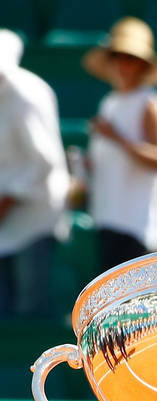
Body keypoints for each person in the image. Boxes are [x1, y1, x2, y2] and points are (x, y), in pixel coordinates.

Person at [84, 17, 157, 270]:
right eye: (117, 57)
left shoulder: (150, 104)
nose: (122, 65)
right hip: (106, 217)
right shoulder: (109, 102)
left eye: (130, 58)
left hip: (135, 224)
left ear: (143, 65)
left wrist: (117, 138)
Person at [0, 30, 68, 316]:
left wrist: (7, 202)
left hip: (35, 219)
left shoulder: (27, 95)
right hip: (7, 221)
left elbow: (44, 162)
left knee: (30, 313)